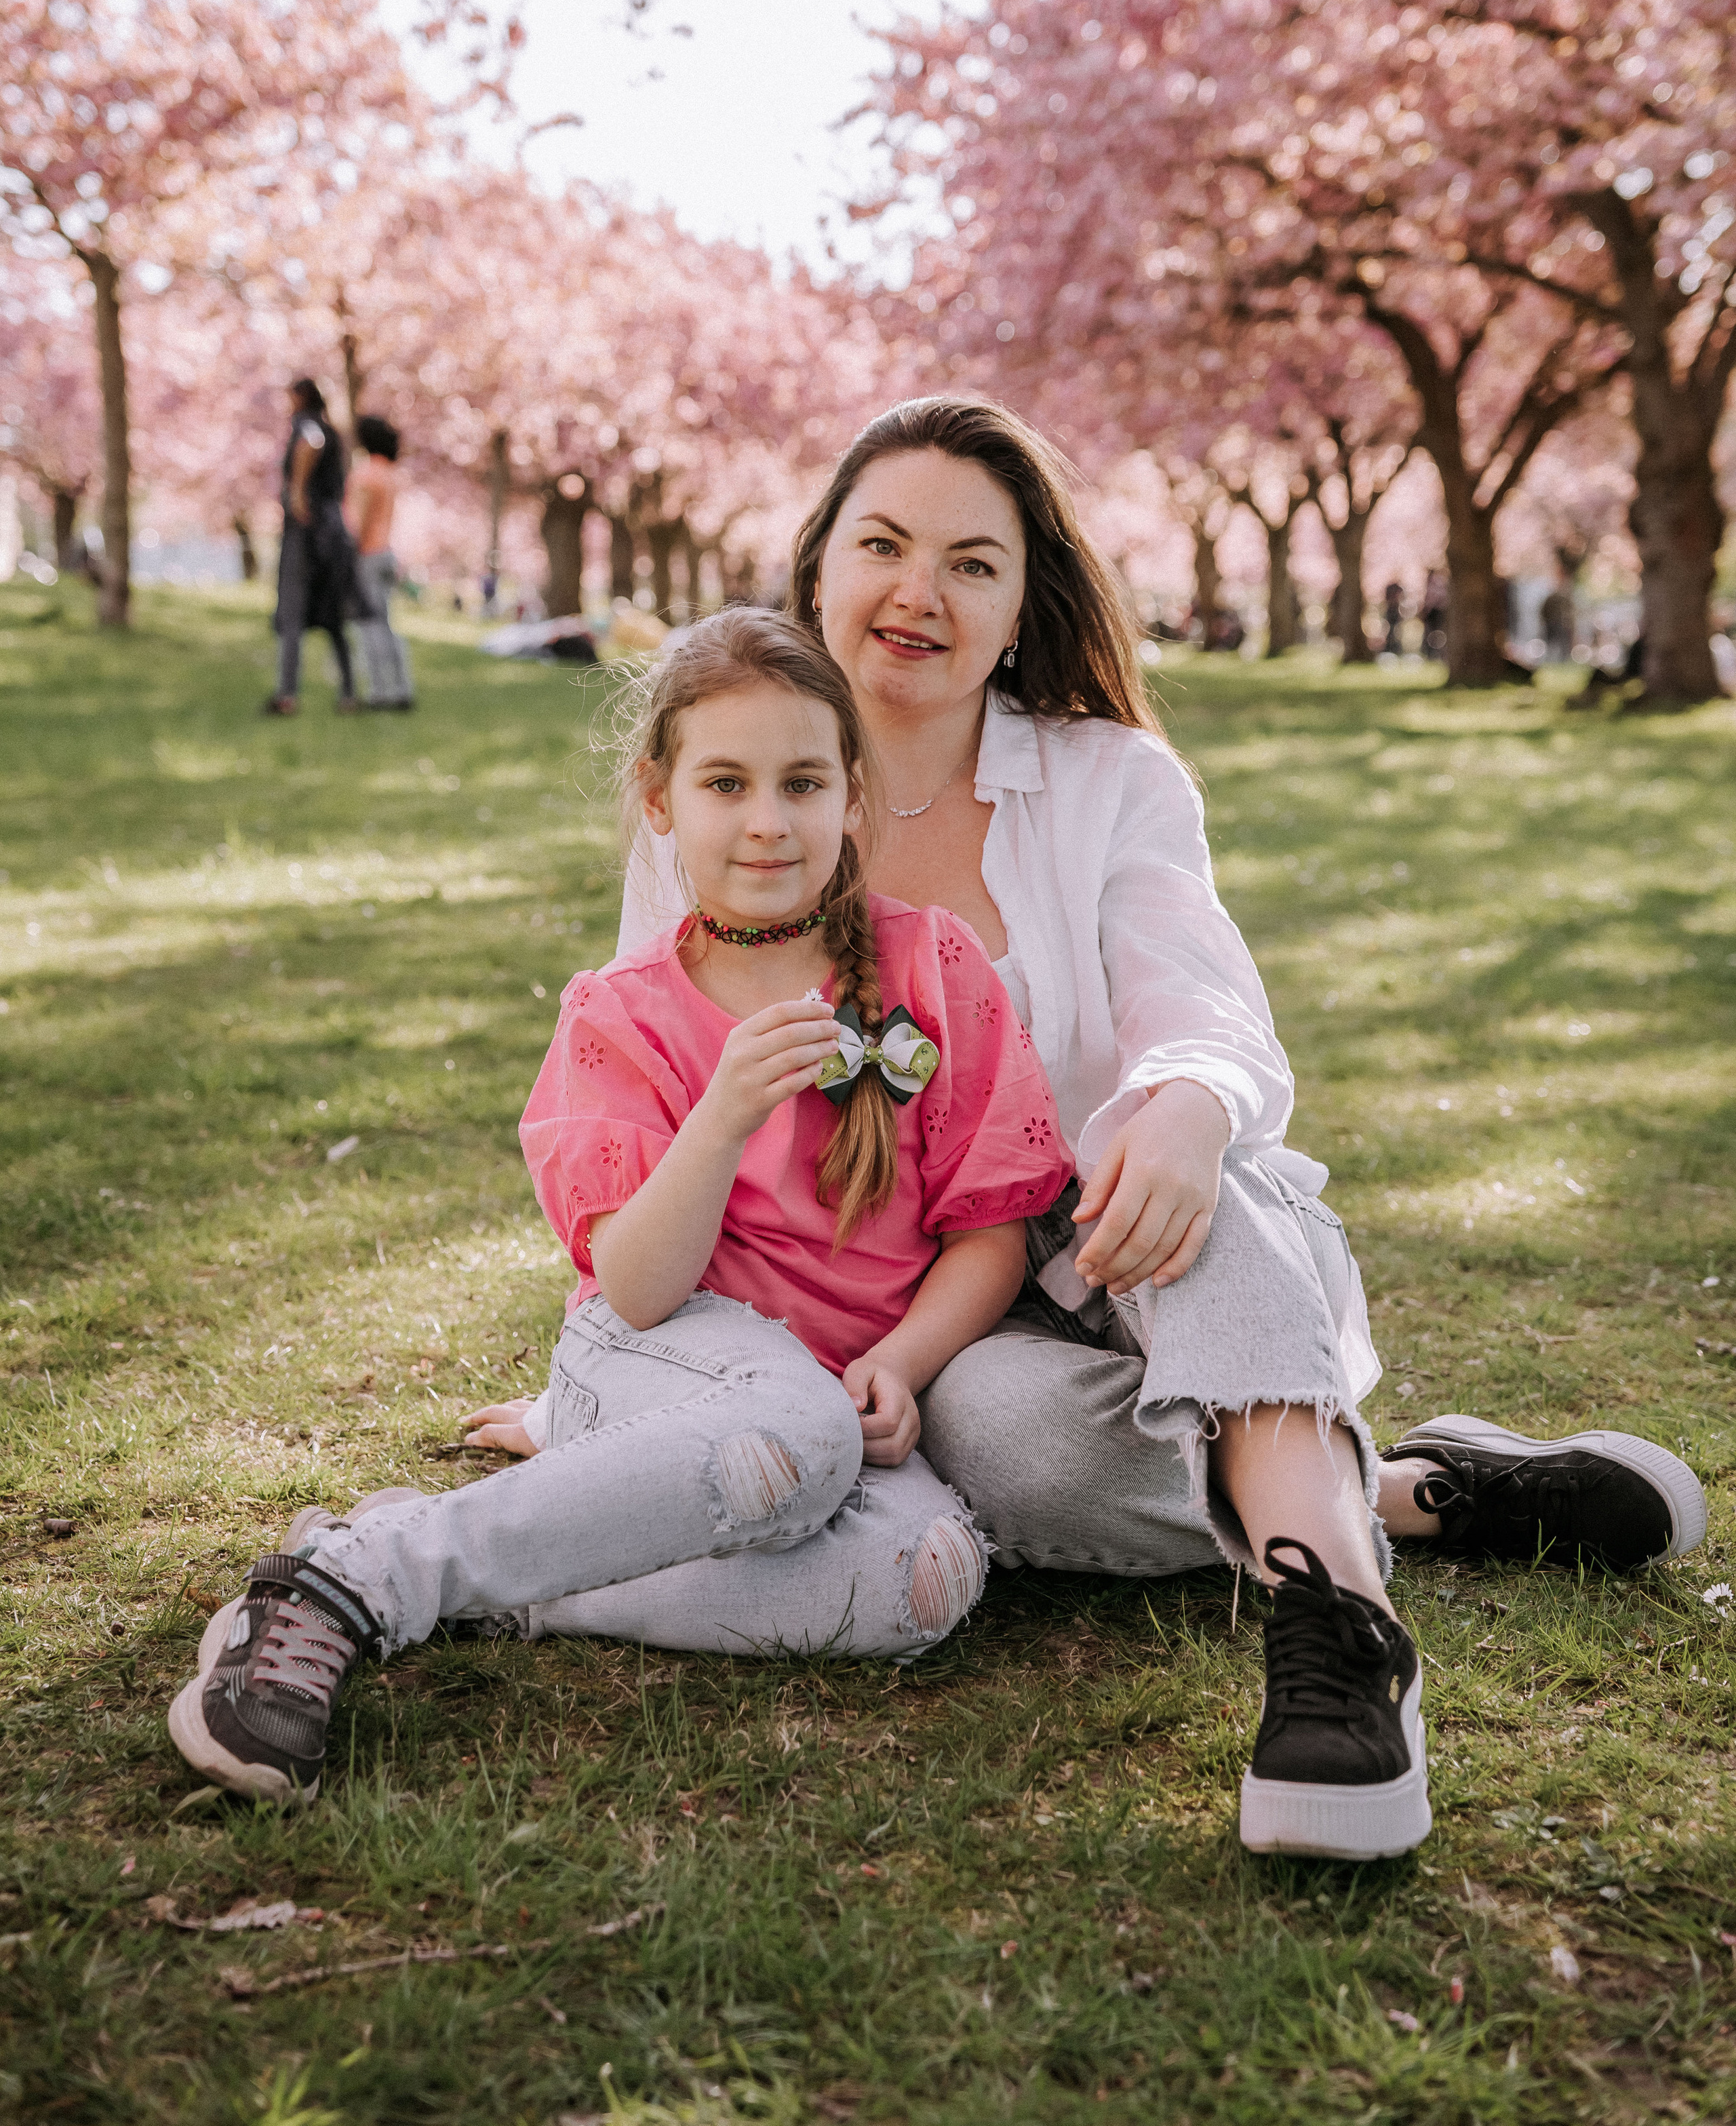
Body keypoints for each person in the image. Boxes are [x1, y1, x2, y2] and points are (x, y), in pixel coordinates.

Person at [573, 399, 1703, 1862]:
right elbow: (668, 1124)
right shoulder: (728, 798)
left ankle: (1338, 1629)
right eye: (882, 544)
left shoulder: (1109, 783)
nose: (919, 591)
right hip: (958, 1306)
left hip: (1161, 1228)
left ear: (1020, 603)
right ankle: (1419, 1495)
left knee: (1176, 1174)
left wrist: (1182, 1108)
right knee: (992, 1445)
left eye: (971, 562)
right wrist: (632, 1400)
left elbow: (1202, 1003)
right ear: (817, 570)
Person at [167, 606, 1071, 1805]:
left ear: (854, 797)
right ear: (661, 799)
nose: (766, 819)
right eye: (726, 782)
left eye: (802, 781)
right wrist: (722, 1118)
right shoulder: (619, 1013)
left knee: (930, 1577)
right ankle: (352, 1576)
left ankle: (524, 1576)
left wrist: (904, 1363)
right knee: (788, 1436)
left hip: (841, 1401)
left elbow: (988, 1234)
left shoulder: (936, 968)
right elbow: (640, 1287)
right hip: (654, 1358)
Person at [264, 379, 358, 717]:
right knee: (333, 616)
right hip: (332, 533)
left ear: (300, 397)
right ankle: (349, 694)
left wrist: (298, 492)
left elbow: (310, 443)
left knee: (293, 613)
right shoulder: (333, 431)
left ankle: (287, 695)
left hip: (307, 534)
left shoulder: (308, 425)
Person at [347, 415, 415, 711]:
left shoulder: (365, 475)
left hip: (367, 557)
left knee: (369, 626)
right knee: (386, 625)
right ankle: (402, 688)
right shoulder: (389, 474)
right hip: (387, 554)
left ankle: (379, 693)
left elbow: (357, 524)